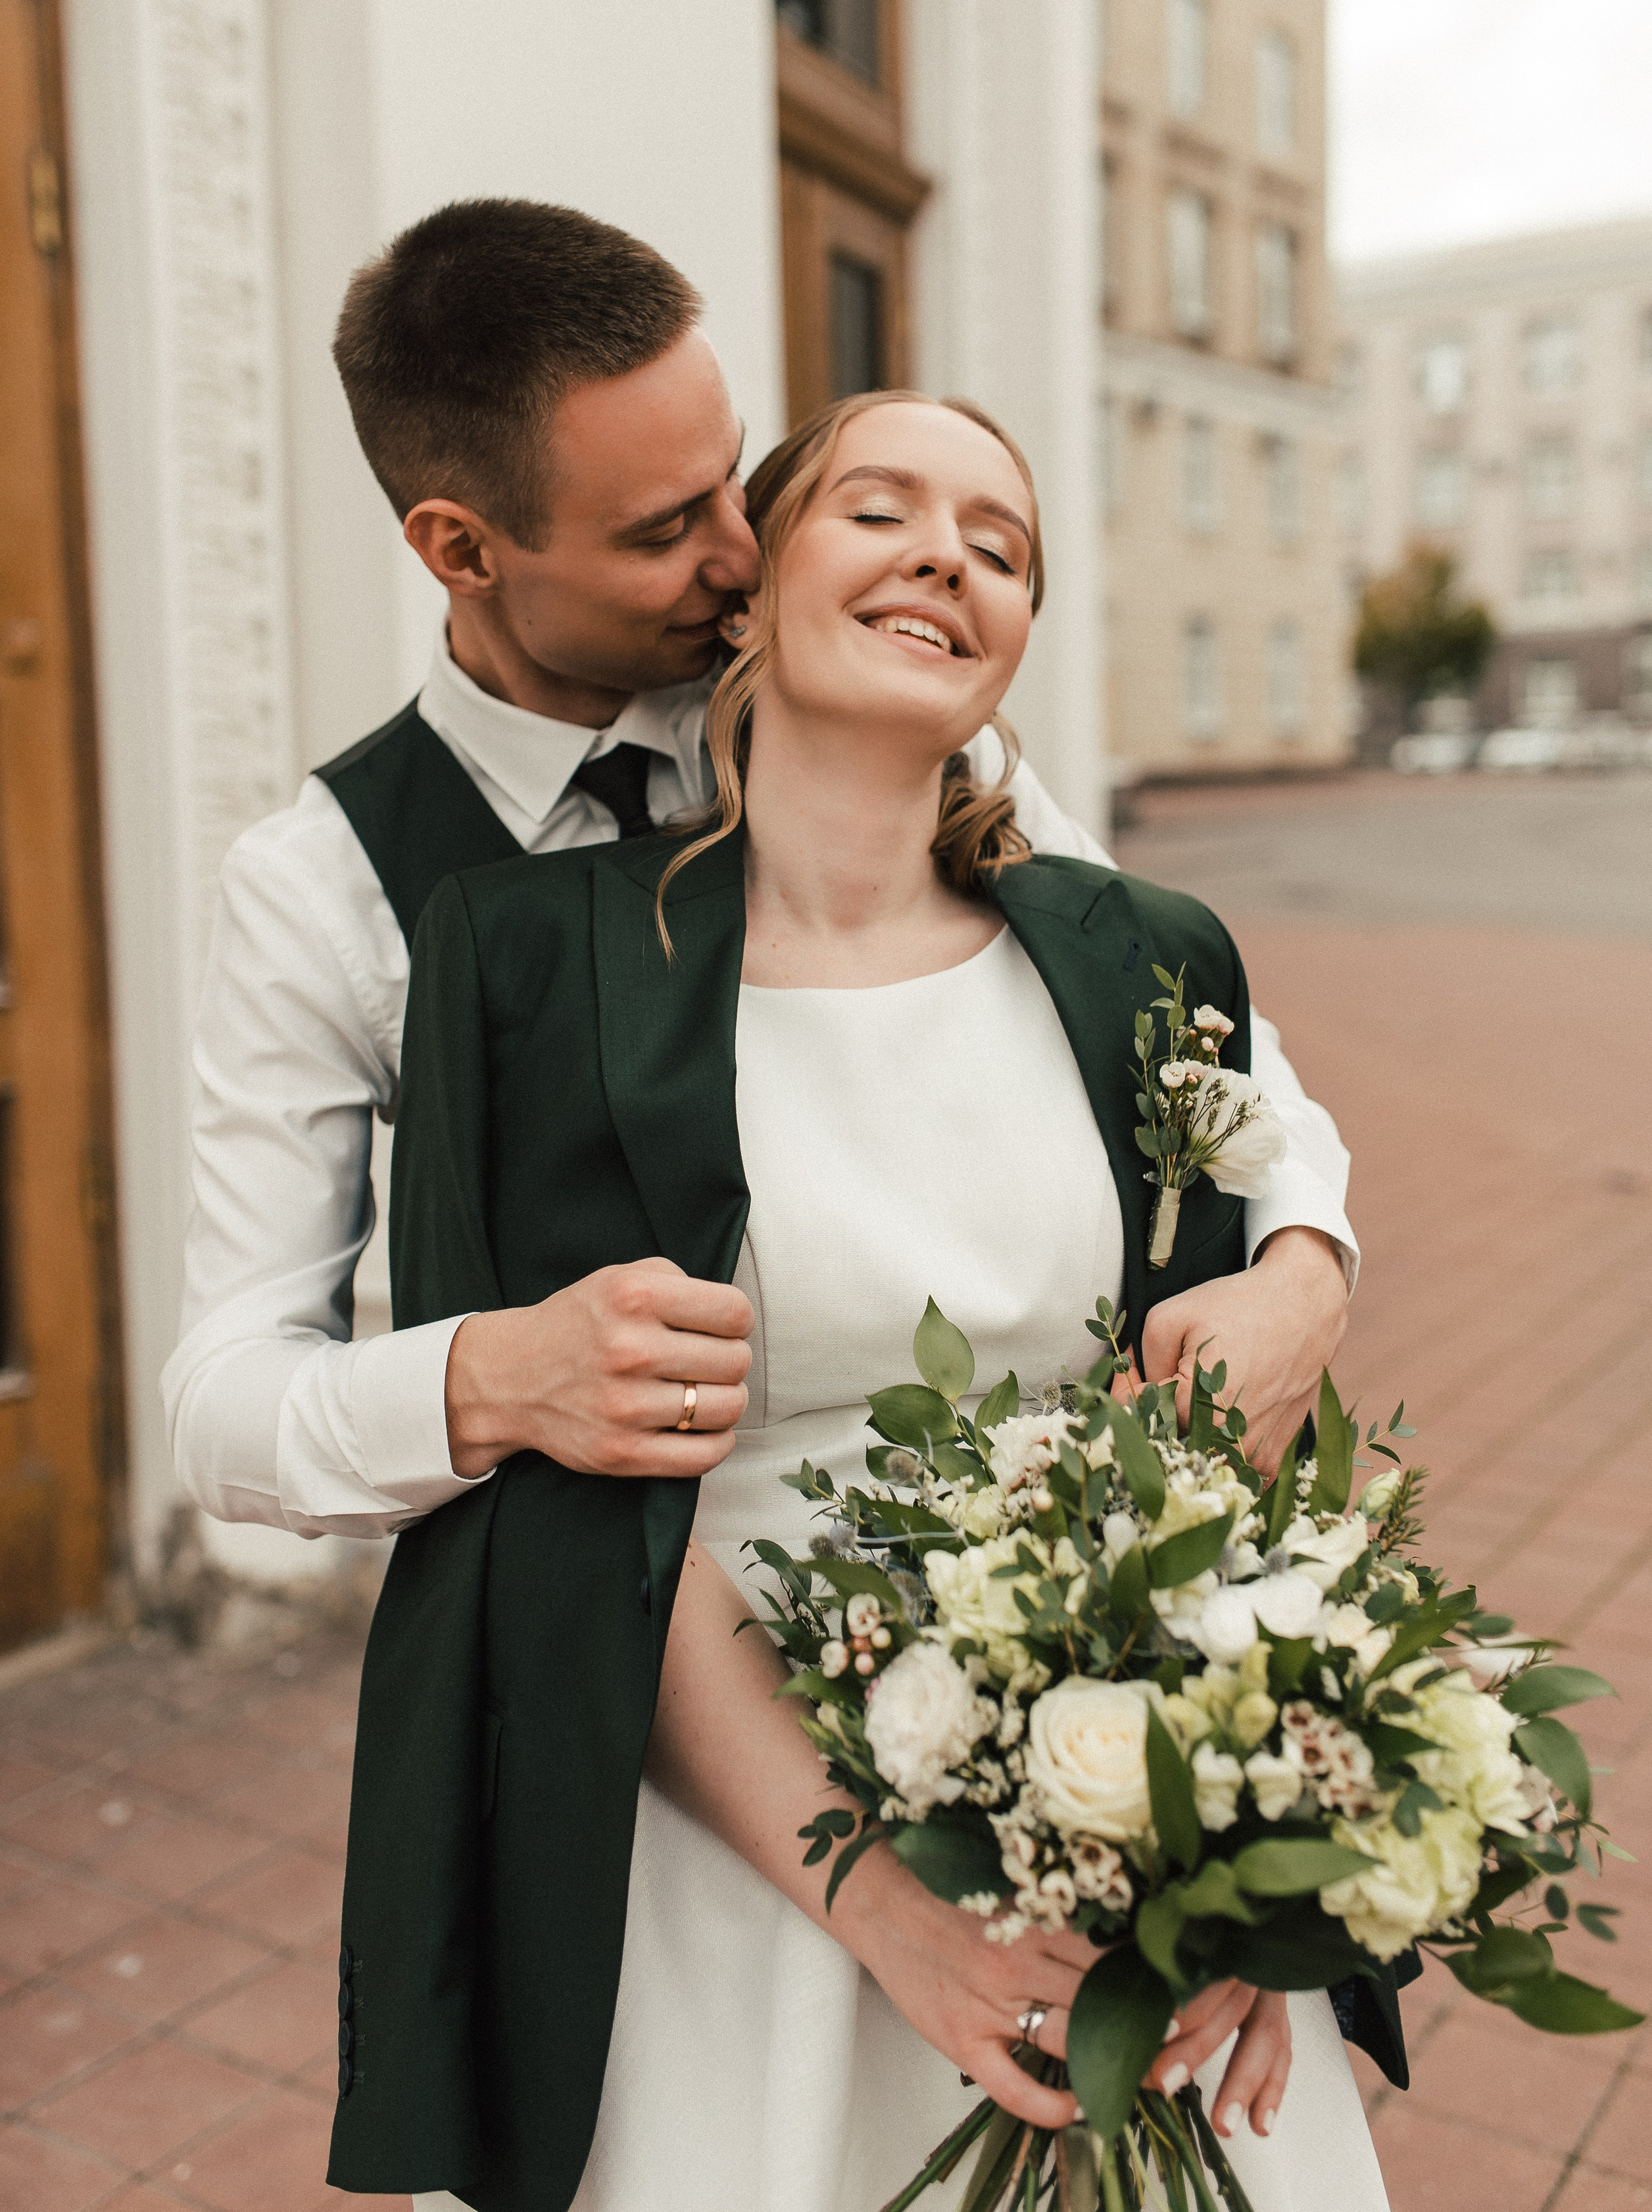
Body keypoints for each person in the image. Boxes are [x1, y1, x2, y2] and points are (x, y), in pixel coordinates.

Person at [327, 391, 1392, 2212]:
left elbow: (1219, 1438)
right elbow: (563, 1513)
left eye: (1000, 544)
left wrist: (1239, 1866)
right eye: (880, 510)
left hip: (1099, 1844)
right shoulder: (529, 961)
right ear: (745, 591)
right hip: (721, 1851)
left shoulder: (1140, 948)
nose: (944, 558)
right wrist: (888, 1914)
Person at [165, 201, 1355, 1541]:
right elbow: (222, 1407)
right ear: (462, 549)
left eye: (732, 477)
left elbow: (1202, 1047)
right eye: (663, 530)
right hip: (616, 1642)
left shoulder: (864, 702)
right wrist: (490, 1381)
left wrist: (1303, 1263)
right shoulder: (322, 890)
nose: (740, 551)